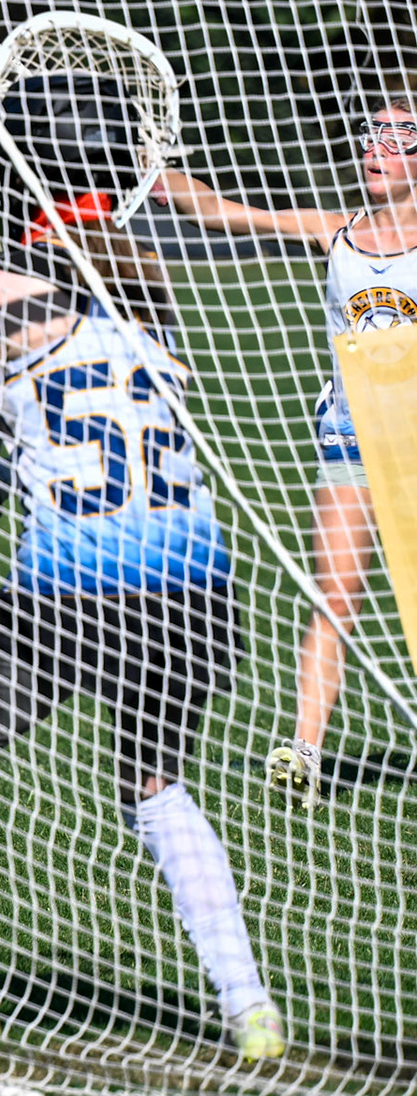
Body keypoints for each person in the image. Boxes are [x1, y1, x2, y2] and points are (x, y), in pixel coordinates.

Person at [0, 74, 284, 1069]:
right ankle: (251, 1007)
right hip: (197, 584)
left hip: (75, 584)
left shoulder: (0, 286)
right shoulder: (146, 274)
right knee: (155, 785)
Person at [158, 89, 417, 806]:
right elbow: (221, 212)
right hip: (350, 444)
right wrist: (154, 168)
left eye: (399, 138)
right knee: (334, 600)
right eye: (371, 134)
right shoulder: (336, 233)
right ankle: (304, 753)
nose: (377, 149)